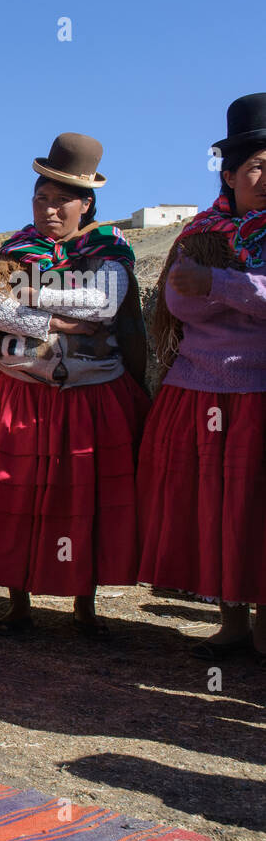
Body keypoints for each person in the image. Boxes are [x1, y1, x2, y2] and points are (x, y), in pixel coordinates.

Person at [0, 133, 149, 636]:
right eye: (41, 199)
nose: (49, 210)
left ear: (86, 204)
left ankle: (84, 604)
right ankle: (17, 599)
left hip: (92, 392)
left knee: (83, 499)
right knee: (17, 494)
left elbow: (104, 304)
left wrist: (33, 295)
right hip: (21, 389)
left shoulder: (109, 248)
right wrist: (56, 322)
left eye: (62, 201)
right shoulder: (16, 250)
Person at [141, 92, 266, 661]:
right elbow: (178, 303)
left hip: (258, 391)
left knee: (256, 509)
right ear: (231, 173)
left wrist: (219, 287)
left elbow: (201, 293)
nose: (265, 178)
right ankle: (232, 622)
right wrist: (244, 297)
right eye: (256, 167)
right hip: (198, 390)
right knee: (214, 509)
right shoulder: (201, 231)